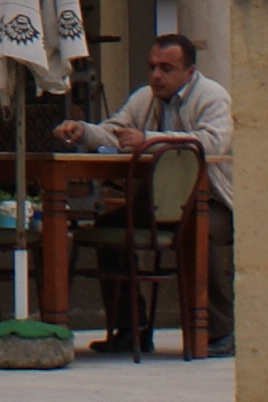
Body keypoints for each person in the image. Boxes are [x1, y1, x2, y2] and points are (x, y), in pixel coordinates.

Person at [55, 31, 235, 355]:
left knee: (198, 231)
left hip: (210, 201)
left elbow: (211, 143)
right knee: (108, 229)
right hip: (156, 202)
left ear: (189, 72)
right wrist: (83, 131)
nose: (156, 75)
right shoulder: (144, 97)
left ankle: (219, 330)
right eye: (152, 66)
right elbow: (116, 132)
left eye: (166, 68)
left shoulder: (213, 97)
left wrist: (149, 139)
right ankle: (131, 329)